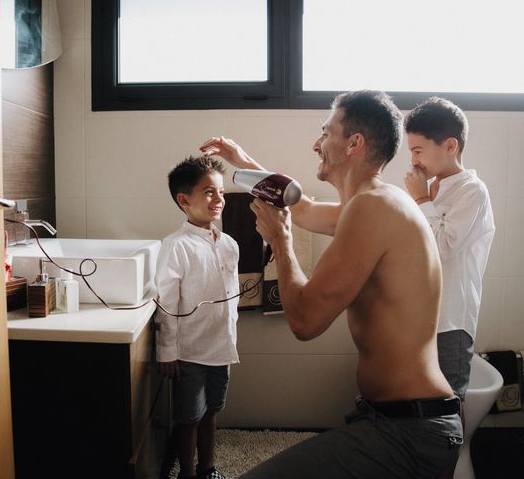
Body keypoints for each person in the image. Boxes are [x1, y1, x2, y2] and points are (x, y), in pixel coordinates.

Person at [200, 90, 463, 478]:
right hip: (398, 419)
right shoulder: (376, 201)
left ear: (354, 143)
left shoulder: (373, 208)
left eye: (326, 133)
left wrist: (280, 241)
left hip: (409, 431)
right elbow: (300, 206)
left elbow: (305, 321)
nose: (316, 144)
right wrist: (242, 161)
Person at [404, 97, 495, 404]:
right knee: (420, 402)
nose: (413, 160)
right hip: (423, 315)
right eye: (411, 152)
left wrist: (420, 201)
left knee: (446, 406)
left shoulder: (472, 190)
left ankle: (450, 454)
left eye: (418, 151)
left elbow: (444, 246)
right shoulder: (432, 190)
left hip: (452, 321)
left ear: (450, 146)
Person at [155, 156, 240, 479]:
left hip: (221, 347)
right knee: (189, 417)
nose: (218, 199)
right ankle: (187, 473)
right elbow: (167, 302)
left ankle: (208, 469)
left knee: (211, 412)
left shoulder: (229, 244)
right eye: (208, 192)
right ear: (184, 200)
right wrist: (168, 351)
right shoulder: (176, 246)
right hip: (190, 351)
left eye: (221, 192)